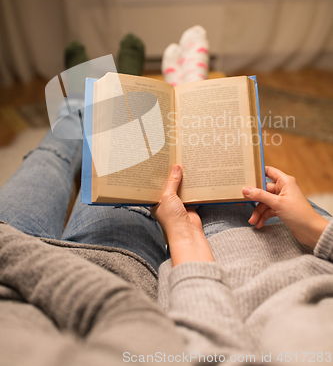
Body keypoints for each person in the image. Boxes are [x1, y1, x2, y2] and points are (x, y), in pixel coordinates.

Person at [1, 95, 333, 366]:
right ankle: (148, 98)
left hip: (189, 271)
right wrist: (319, 228)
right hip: (292, 246)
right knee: (215, 149)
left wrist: (184, 235)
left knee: (61, 159)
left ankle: (89, 109)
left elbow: (207, 352)